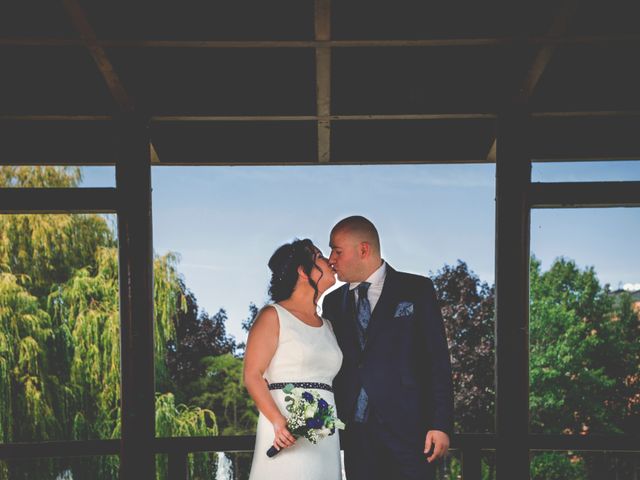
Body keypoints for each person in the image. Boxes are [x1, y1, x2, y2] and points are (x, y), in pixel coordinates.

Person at [322, 215, 454, 480]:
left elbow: (437, 361)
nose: (330, 260)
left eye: (336, 251)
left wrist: (441, 425)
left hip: (410, 432)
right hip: (357, 436)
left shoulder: (417, 289)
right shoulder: (332, 303)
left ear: (363, 249)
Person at [244, 238, 344, 480]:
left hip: (325, 433)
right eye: (320, 256)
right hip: (284, 429)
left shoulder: (328, 325)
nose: (330, 261)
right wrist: (279, 422)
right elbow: (252, 375)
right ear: (302, 270)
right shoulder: (273, 315)